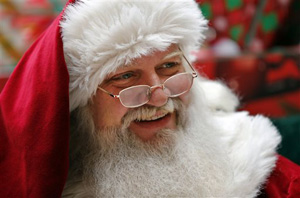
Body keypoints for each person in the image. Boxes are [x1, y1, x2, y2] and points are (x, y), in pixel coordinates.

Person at [0, 0, 299, 197]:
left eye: (169, 66)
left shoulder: (271, 180)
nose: (159, 96)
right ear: (81, 105)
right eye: (126, 76)